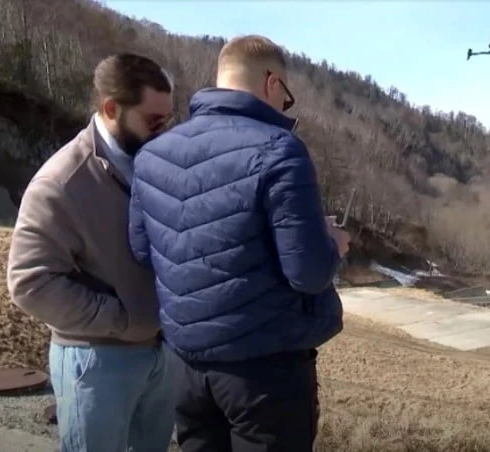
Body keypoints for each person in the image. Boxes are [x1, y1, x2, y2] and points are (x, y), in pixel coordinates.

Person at [128, 34, 350, 452]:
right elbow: (308, 273)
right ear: (271, 83)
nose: (284, 108)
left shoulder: (153, 154)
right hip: (264, 369)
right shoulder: (280, 150)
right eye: (286, 98)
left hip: (185, 365)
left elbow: (143, 250)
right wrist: (332, 242)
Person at [6, 53, 178, 452]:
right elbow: (30, 283)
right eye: (153, 121)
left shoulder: (156, 162)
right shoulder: (61, 182)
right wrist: (123, 319)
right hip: (97, 364)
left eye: (168, 120)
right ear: (111, 109)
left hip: (163, 358)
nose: (164, 131)